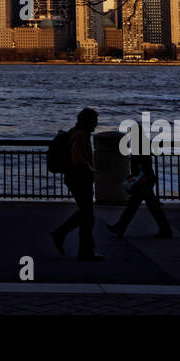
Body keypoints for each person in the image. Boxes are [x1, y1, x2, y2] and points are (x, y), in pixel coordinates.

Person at [50, 108, 103, 261]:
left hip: (75, 179)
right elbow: (77, 158)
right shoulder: (80, 135)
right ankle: (65, 236)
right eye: (94, 121)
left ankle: (84, 250)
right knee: (87, 215)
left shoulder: (76, 131)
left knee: (87, 215)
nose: (96, 124)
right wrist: (91, 169)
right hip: (79, 180)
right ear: (88, 121)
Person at [109, 140, 173, 239]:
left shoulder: (138, 150)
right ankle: (165, 229)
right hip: (145, 181)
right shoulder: (143, 148)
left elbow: (140, 168)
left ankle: (120, 227)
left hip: (143, 183)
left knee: (137, 206)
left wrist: (135, 178)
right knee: (146, 206)